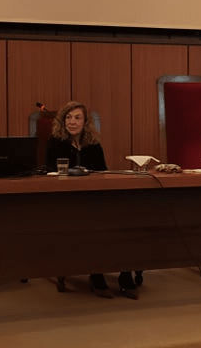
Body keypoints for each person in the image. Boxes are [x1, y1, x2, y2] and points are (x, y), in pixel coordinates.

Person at [46, 101, 139, 298]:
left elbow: (103, 172)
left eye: (77, 117)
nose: (72, 122)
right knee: (96, 224)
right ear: (62, 121)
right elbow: (48, 172)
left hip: (94, 198)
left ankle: (125, 276)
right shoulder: (55, 142)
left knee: (124, 220)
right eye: (68, 117)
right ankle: (97, 275)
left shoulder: (93, 144)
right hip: (67, 201)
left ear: (85, 122)